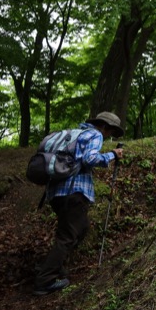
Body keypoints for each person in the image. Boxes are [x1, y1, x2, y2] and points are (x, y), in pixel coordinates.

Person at [33, 112, 125, 296]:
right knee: (67, 236)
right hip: (74, 191)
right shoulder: (95, 134)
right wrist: (112, 155)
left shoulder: (76, 133)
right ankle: (45, 279)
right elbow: (90, 159)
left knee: (80, 228)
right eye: (111, 132)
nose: (109, 136)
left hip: (56, 192)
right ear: (105, 127)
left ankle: (51, 266)